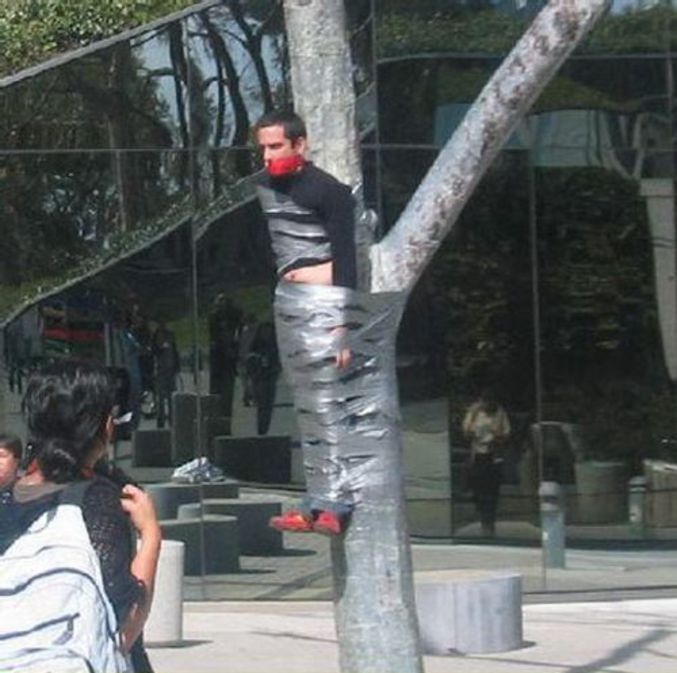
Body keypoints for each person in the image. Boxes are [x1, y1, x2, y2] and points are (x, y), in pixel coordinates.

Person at [0, 359, 161, 671]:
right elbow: (121, 626)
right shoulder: (96, 501)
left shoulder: (6, 500)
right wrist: (151, 534)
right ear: (99, 426)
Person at [255, 110, 357, 535]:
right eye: (262, 147)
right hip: (290, 305)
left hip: (325, 305)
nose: (267, 156)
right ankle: (315, 499)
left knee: (333, 401)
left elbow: (350, 260)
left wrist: (344, 324)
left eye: (276, 146)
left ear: (300, 144)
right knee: (306, 403)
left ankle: (338, 499)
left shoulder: (329, 192)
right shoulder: (263, 188)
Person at [462, 390, 511, 537]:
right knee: (479, 487)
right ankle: (483, 517)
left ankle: (490, 522)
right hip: (478, 453)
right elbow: (466, 432)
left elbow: (506, 433)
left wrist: (496, 436)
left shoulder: (500, 413)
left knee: (492, 489)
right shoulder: (475, 413)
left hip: (493, 454)